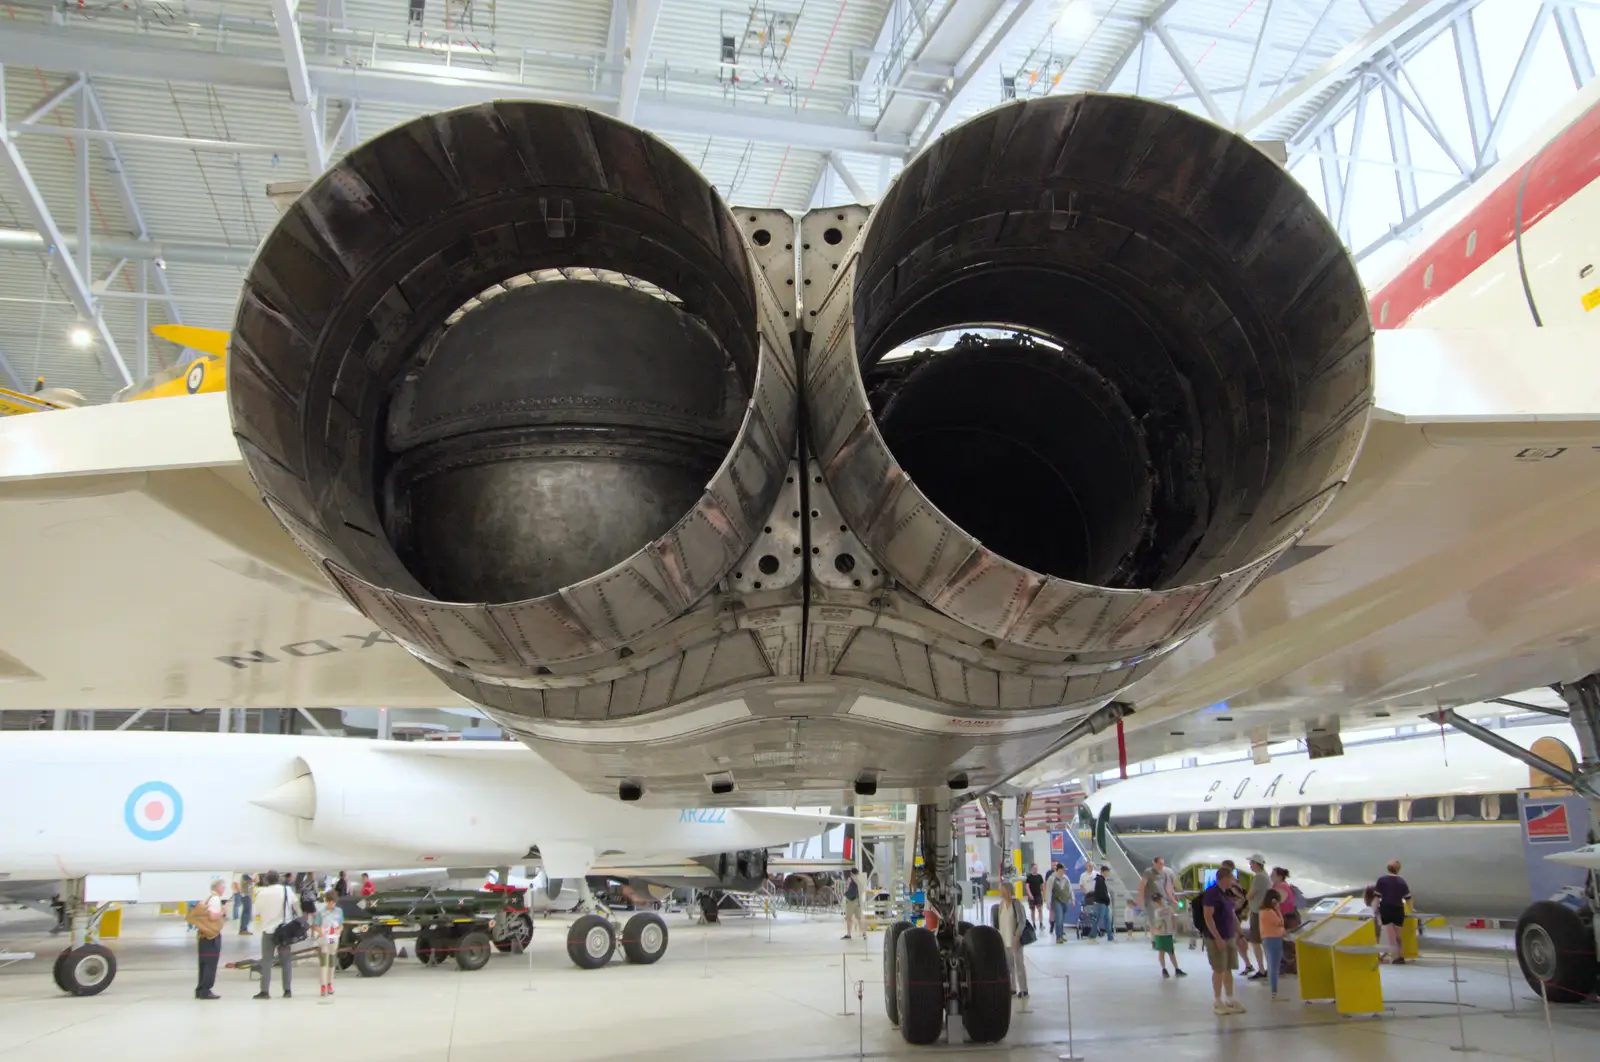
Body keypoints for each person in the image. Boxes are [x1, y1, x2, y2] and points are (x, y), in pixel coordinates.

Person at [1203, 865, 1245, 1014]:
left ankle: (1229, 997)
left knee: (1228, 968)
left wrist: (1239, 933)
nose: (1233, 882)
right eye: (1231, 879)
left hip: (1229, 935)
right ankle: (1217, 999)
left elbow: (1232, 915)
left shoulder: (1227, 894)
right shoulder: (1211, 894)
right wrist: (1217, 937)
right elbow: (1208, 917)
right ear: (1224, 878)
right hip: (1216, 937)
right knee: (1219, 968)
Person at [255, 870, 299, 999]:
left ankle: (264, 991)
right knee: (286, 961)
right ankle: (287, 990)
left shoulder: (261, 893)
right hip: (284, 931)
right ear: (279, 879)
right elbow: (296, 907)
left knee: (266, 961)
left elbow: (256, 912)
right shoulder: (287, 891)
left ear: (267, 880)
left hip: (268, 930)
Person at [189, 878, 226, 1000]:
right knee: (211, 963)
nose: (224, 889)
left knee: (203, 963)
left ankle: (200, 989)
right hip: (212, 935)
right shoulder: (215, 899)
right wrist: (222, 912)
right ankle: (206, 989)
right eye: (223, 887)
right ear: (218, 888)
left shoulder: (207, 897)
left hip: (203, 934)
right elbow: (212, 916)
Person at [996, 879, 1030, 998]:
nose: (1000, 891)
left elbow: (1022, 921)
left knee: (1019, 964)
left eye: (1001, 889)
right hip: (1005, 939)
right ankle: (1012, 987)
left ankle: (1023, 988)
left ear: (1007, 890)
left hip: (1015, 939)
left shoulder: (1016, 904)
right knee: (1009, 966)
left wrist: (1017, 936)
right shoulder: (1001, 905)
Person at [1374, 860, 1411, 963]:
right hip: (1399, 909)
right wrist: (1411, 910)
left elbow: (1377, 897)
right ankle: (1400, 955)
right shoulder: (1402, 881)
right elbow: (1408, 898)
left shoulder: (1382, 880)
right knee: (1398, 935)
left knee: (1391, 935)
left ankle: (1394, 957)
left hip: (1386, 908)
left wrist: (1373, 910)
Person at [1244, 854, 1270, 980]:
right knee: (1264, 942)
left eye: (1251, 863)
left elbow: (1249, 896)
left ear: (1256, 864)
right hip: (1263, 912)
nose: (1250, 865)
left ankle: (1261, 969)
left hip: (1257, 913)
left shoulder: (1259, 879)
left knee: (1255, 942)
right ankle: (1267, 967)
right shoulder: (1266, 877)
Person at [1149, 891, 1187, 978]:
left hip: (1164, 933)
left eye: (1159, 900)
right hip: (1161, 933)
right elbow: (1153, 924)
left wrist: (1173, 929)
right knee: (1165, 952)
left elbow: (1173, 919)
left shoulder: (1165, 909)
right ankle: (1166, 969)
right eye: (1157, 900)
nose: (1158, 901)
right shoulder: (1164, 909)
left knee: (1168, 952)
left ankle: (1173, 969)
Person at [314, 890, 343, 998]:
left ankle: (330, 983)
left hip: (333, 939)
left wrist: (339, 931)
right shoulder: (321, 913)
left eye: (333, 902)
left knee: (331, 962)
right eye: (329, 902)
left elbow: (340, 924)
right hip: (324, 939)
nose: (331, 904)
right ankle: (323, 985)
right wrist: (320, 931)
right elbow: (316, 925)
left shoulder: (339, 911)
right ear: (326, 901)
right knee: (323, 963)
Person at [1259, 889, 1287, 1000]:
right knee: (1274, 967)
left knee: (1271, 966)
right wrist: (1278, 910)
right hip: (1274, 939)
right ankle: (1274, 992)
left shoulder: (1262, 911)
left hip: (1266, 939)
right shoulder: (1269, 912)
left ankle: (1273, 992)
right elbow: (1280, 922)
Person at [1049, 863, 1074, 943]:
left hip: (1065, 900)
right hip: (1056, 900)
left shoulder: (1066, 878)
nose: (1064, 871)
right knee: (1059, 918)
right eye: (1063, 870)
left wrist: (1072, 899)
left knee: (1062, 919)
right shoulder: (1052, 878)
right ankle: (1058, 937)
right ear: (1059, 870)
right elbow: (1048, 891)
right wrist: (1048, 903)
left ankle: (1061, 935)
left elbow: (1070, 889)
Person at [841, 870, 866, 940]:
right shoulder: (859, 880)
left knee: (849, 918)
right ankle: (864, 933)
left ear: (851, 873)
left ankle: (849, 934)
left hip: (850, 901)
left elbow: (846, 889)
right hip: (857, 901)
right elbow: (862, 889)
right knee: (859, 918)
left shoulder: (850, 879)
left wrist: (844, 892)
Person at [1091, 866, 1114, 942]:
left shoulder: (1101, 880)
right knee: (1097, 919)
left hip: (1104, 903)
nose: (1108, 873)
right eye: (1107, 871)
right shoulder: (1100, 881)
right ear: (1104, 871)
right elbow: (1101, 893)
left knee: (1108, 920)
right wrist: (1106, 899)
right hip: (1101, 903)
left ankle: (1110, 937)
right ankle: (1092, 936)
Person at [1024, 864, 1045, 929]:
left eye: (1036, 868)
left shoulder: (1039, 876)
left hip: (1038, 895)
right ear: (1032, 869)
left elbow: (1042, 886)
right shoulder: (1029, 877)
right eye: (1034, 868)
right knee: (1032, 910)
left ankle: (1041, 923)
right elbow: (1027, 887)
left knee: (1040, 909)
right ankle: (1034, 924)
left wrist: (1044, 895)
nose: (1035, 869)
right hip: (1032, 896)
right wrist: (1030, 895)